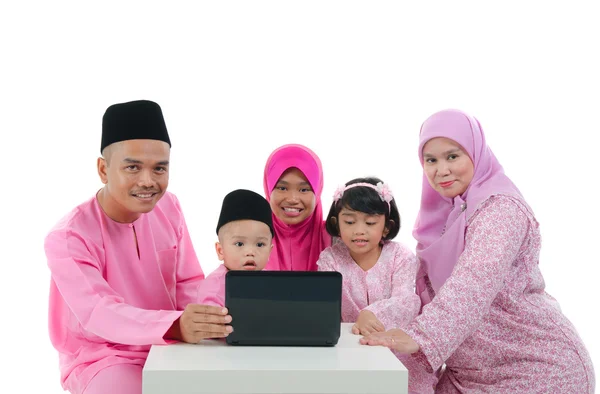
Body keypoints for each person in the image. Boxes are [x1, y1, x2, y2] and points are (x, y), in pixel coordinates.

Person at [360, 109, 595, 393]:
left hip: (534, 370)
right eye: (430, 160)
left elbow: (474, 282)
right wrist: (379, 316)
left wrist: (421, 337)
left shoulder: (500, 209)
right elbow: (426, 294)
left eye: (453, 156)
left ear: (476, 152)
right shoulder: (448, 216)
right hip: (467, 375)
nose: (441, 170)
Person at [44, 100, 232, 394]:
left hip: (172, 346)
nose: (148, 181)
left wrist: (212, 317)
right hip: (104, 357)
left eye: (159, 168)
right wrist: (177, 325)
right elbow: (99, 311)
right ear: (103, 170)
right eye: (132, 167)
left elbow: (187, 284)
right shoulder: (68, 237)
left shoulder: (169, 207)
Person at [317, 177, 435, 394]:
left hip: (395, 349)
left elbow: (407, 301)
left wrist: (373, 314)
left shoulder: (400, 256)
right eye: (350, 222)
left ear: (386, 227)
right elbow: (326, 306)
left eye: (370, 223)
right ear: (336, 223)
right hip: (349, 348)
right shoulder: (329, 259)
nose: (359, 230)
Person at [196, 189, 274, 306]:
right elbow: (209, 320)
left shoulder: (272, 282)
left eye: (260, 244)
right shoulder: (214, 287)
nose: (250, 252)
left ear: (270, 251)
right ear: (220, 250)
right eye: (239, 244)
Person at [262, 143, 331, 271]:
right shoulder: (250, 239)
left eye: (304, 189)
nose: (292, 199)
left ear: (317, 191)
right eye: (282, 188)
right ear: (268, 188)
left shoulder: (335, 238)